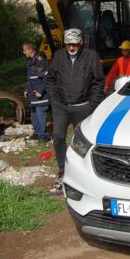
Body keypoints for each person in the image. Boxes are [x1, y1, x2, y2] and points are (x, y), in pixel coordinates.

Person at [46, 29, 105, 188]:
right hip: (61, 106)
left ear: (81, 42)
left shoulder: (91, 56)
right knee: (58, 137)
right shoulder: (59, 56)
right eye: (68, 44)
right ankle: (63, 170)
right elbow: (51, 79)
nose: (71, 48)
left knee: (84, 141)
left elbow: (99, 81)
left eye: (74, 44)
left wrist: (92, 104)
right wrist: (53, 100)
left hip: (83, 106)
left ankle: (84, 174)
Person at [22, 42, 50, 140]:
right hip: (32, 94)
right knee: (34, 114)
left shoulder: (40, 60)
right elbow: (30, 78)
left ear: (31, 50)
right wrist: (26, 89)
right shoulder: (30, 61)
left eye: (25, 50)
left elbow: (46, 78)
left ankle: (44, 136)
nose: (23, 52)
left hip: (40, 95)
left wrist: (40, 91)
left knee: (40, 114)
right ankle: (37, 133)